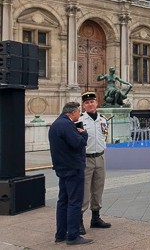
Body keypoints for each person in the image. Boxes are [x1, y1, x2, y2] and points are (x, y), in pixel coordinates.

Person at [48, 102, 93, 245]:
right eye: (78, 112)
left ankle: (60, 233)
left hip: (62, 168)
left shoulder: (56, 124)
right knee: (74, 202)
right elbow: (78, 144)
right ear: (73, 112)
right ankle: (73, 235)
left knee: (63, 201)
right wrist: (84, 134)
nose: (79, 114)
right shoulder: (67, 125)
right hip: (73, 168)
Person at [79, 92, 111, 236]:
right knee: (84, 191)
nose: (90, 104)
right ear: (83, 105)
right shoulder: (79, 120)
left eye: (92, 102)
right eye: (87, 103)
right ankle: (78, 221)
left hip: (100, 157)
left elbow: (105, 136)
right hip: (86, 159)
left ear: (97, 103)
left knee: (98, 188)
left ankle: (95, 217)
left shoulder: (103, 120)